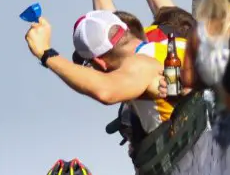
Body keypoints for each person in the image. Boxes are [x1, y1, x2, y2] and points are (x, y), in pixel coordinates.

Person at [24, 10, 171, 133]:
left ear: (100, 62)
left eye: (89, 64)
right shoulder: (170, 45)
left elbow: (106, 90)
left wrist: (46, 54)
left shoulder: (140, 64)